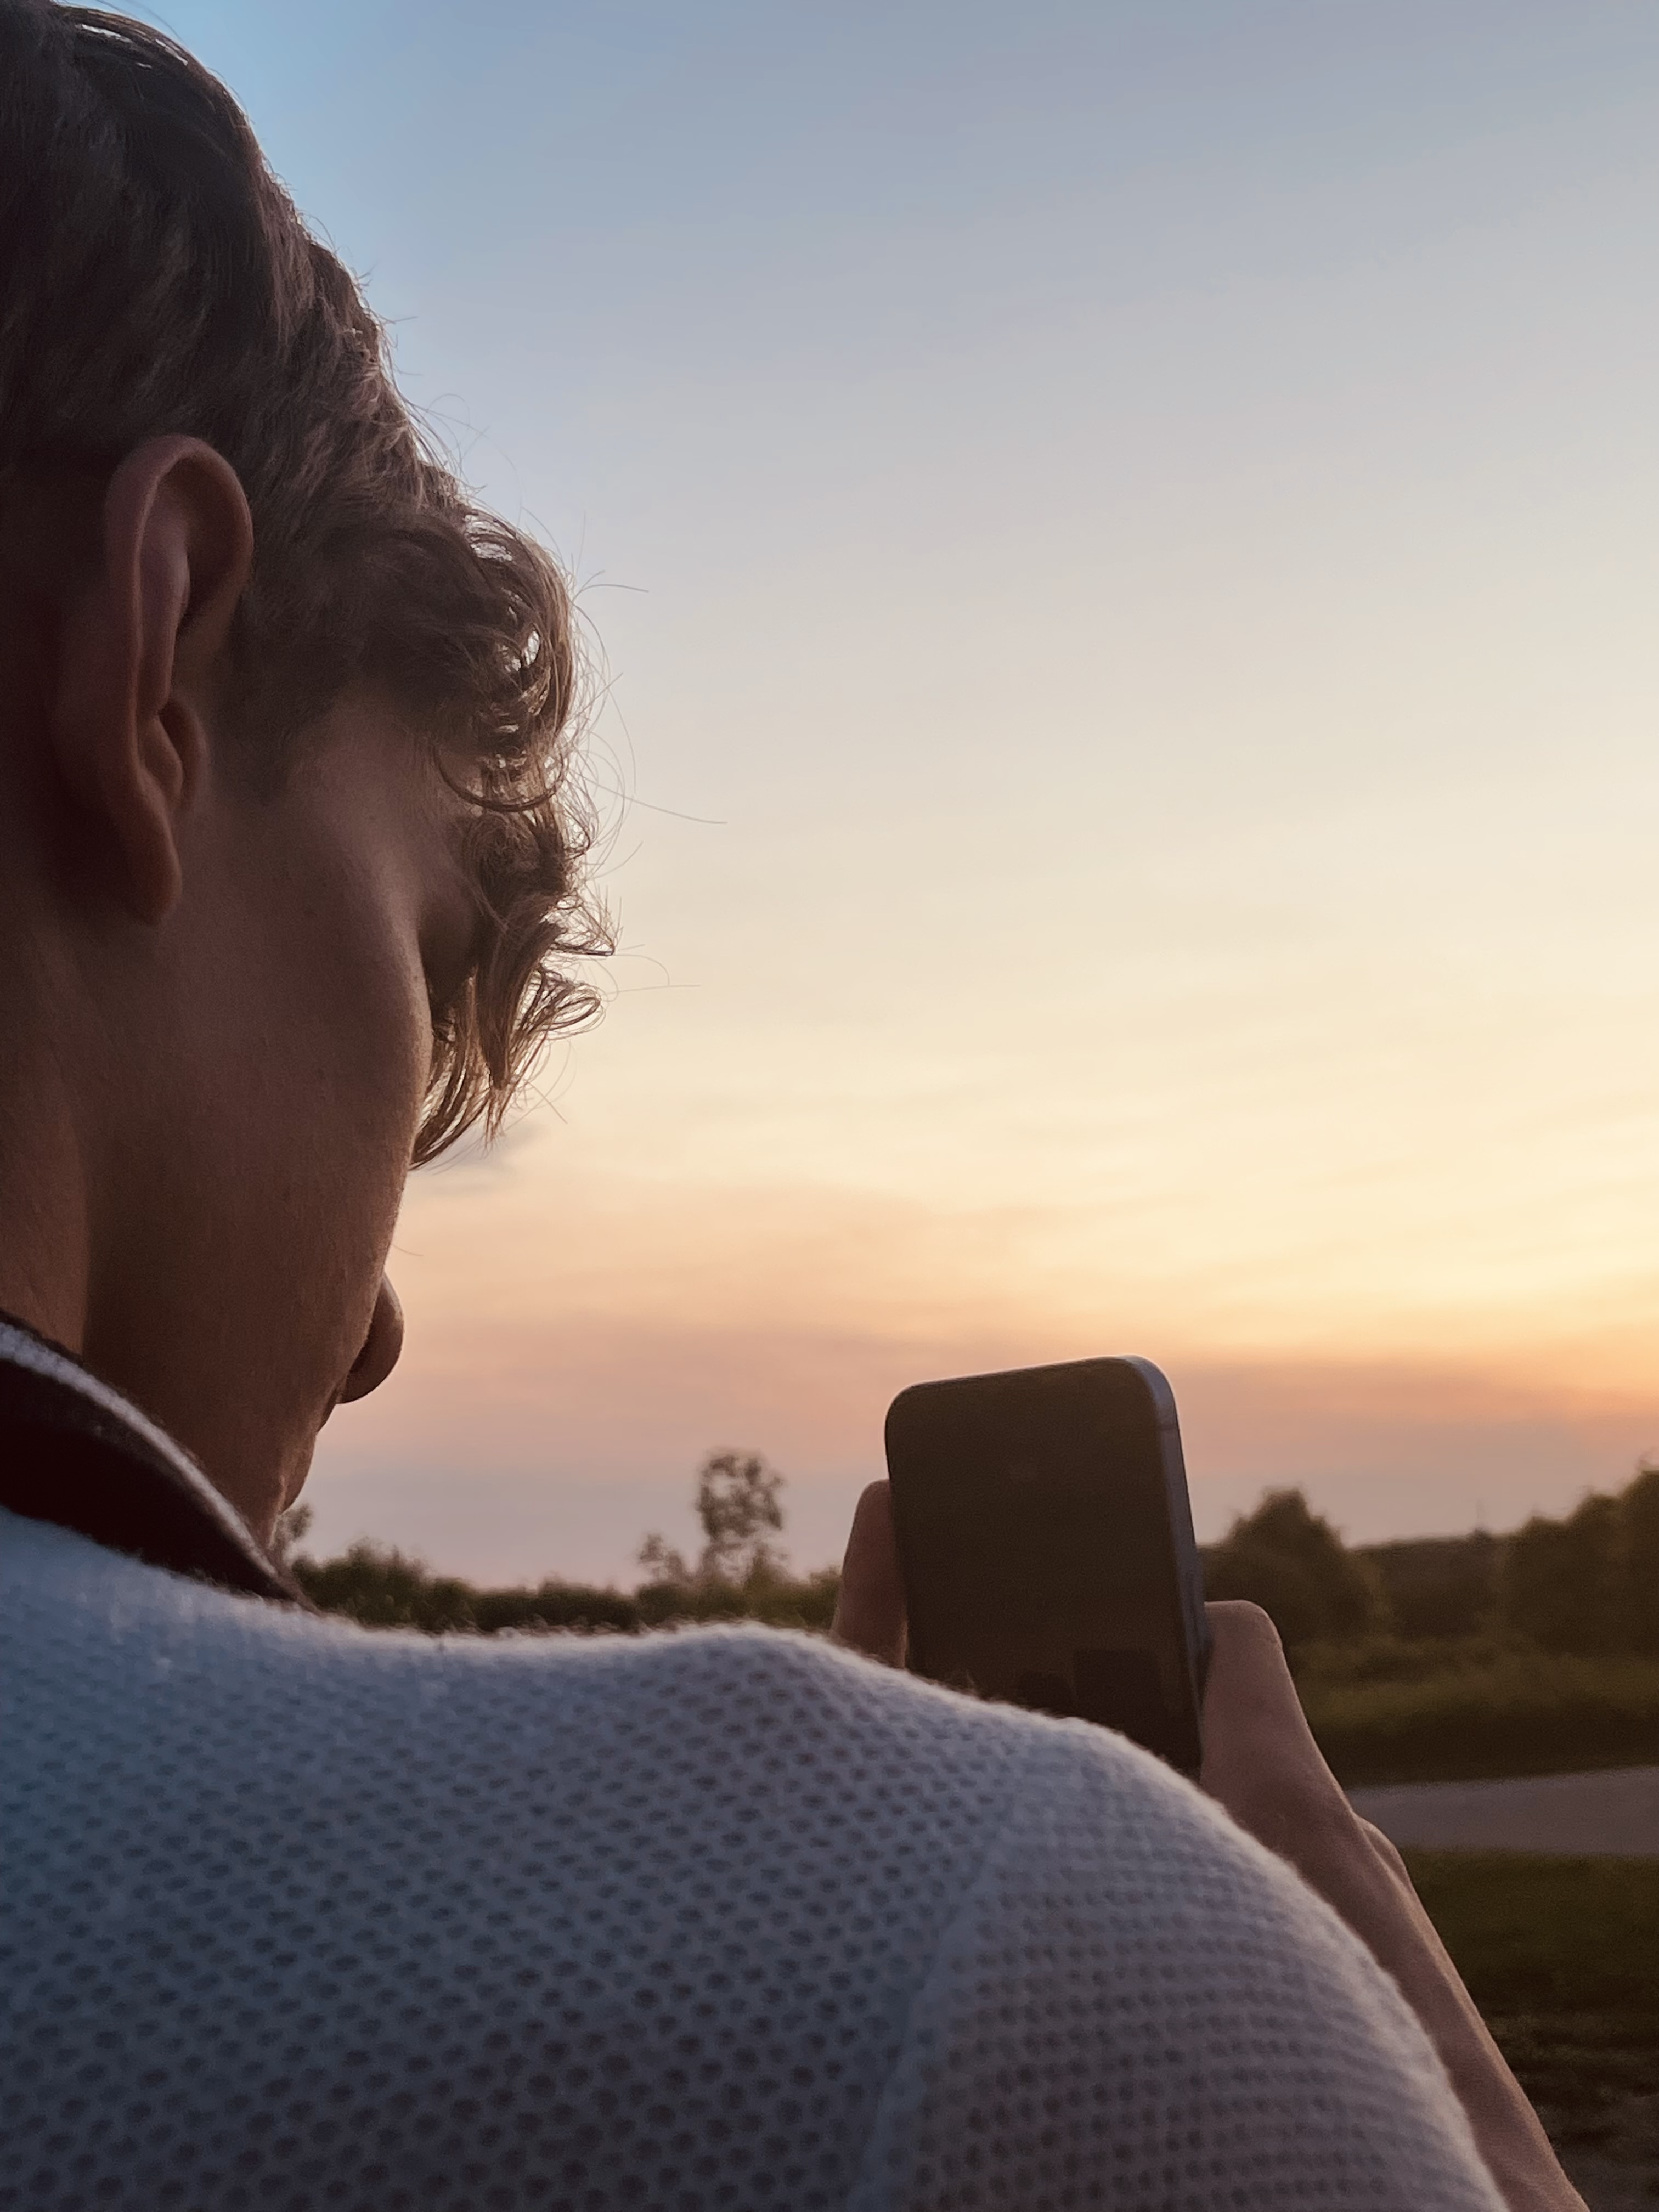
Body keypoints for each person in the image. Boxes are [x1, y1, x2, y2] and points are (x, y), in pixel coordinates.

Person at [0, 9, 1583, 2209]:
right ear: (154, 661)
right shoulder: (992, 1970)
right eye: (407, 953)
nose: (373, 1333)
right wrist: (1432, 2115)